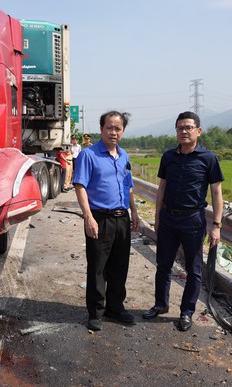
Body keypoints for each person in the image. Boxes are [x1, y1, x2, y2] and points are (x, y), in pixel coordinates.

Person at [143, 111, 224, 332]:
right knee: (163, 265)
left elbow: (217, 193)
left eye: (188, 127)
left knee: (194, 269)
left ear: (198, 131)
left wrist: (216, 226)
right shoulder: (168, 156)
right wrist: (158, 218)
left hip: (193, 220)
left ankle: (187, 312)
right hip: (168, 219)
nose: (184, 131)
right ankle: (160, 304)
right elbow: (162, 188)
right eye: (180, 128)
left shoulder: (208, 158)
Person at [73, 111, 140, 331]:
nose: (113, 132)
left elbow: (128, 186)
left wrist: (135, 212)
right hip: (99, 218)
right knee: (98, 268)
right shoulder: (88, 155)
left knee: (120, 266)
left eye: (118, 128)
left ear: (123, 131)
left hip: (122, 218)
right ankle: (96, 312)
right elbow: (80, 186)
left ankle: (115, 307)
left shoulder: (124, 156)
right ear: (101, 129)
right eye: (109, 127)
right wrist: (88, 217)